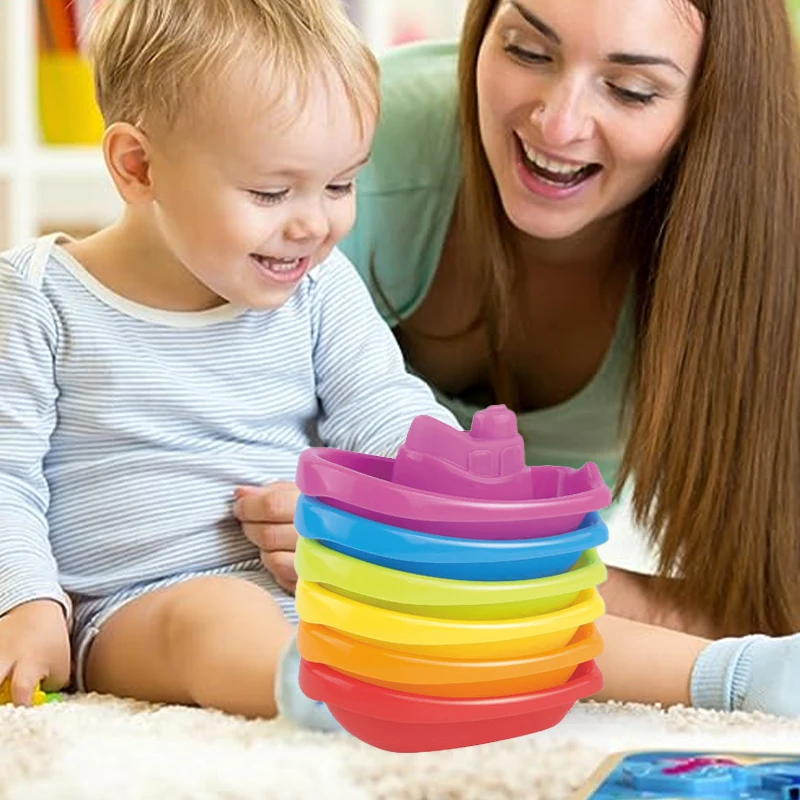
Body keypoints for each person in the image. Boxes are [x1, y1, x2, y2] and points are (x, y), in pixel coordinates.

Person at [243, 0, 800, 717]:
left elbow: (770, 612)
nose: (558, 124)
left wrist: (476, 555)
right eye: (528, 52)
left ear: (714, 108)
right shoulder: (349, 160)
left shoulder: (767, 248)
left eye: (631, 90)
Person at [0, 0, 461, 729]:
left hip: (312, 579)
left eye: (340, 185)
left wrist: (452, 489)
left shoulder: (316, 286)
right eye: (271, 192)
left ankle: (703, 669)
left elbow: (382, 404)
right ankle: (342, 700)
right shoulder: (39, 298)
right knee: (217, 615)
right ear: (138, 165)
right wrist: (24, 600)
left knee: (512, 599)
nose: (314, 223)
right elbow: (4, 475)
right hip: (139, 610)